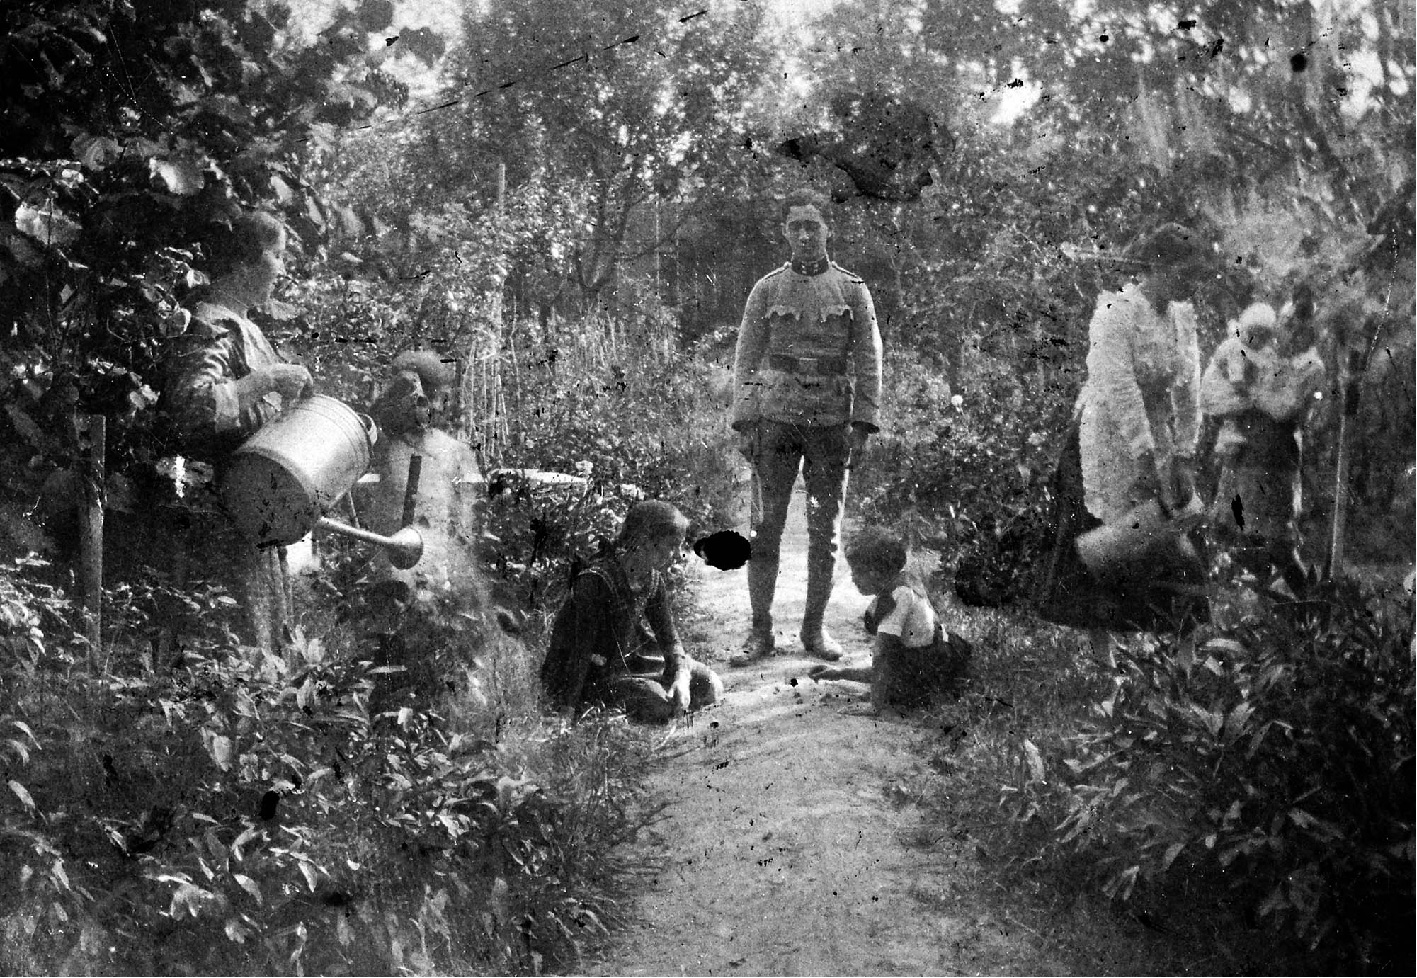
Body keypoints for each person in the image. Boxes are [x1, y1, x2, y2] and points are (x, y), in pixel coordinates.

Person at [729, 190, 884, 665]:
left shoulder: (852, 289)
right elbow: (746, 359)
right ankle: (760, 632)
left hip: (830, 422)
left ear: (827, 230)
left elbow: (869, 359)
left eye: (812, 226)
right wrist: (746, 419)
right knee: (765, 528)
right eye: (795, 226)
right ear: (784, 232)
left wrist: (863, 423)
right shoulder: (767, 289)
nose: (804, 235)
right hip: (776, 419)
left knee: (825, 531)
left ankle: (813, 631)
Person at [1035, 222, 1211, 635]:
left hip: (1158, 432)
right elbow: (1118, 388)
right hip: (1107, 437)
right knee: (1106, 539)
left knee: (1170, 529)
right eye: (1186, 273)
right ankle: (1105, 657)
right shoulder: (1116, 313)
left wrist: (1184, 454)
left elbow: (1190, 390)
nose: (1192, 284)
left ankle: (1173, 653)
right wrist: (1143, 453)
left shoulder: (1182, 318)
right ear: (1160, 265)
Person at [160, 210, 313, 653]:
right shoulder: (210, 323)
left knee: (257, 646)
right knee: (226, 645)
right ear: (246, 262)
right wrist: (265, 381)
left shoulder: (245, 327)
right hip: (216, 514)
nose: (281, 269)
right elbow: (191, 407)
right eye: (278, 256)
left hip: (250, 515)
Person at [540, 501, 723, 724]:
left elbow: (669, 636)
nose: (675, 554)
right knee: (659, 705)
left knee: (710, 684)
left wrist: (681, 676)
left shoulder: (651, 579)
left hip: (632, 662)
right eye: (671, 545)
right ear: (645, 542)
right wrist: (566, 709)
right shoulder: (596, 581)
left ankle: (664, 690)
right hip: (592, 672)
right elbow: (581, 649)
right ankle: (605, 706)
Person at [1201, 295, 1326, 595]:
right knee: (1238, 533)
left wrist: (1248, 395)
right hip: (1247, 448)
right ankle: (1259, 606)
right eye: (1286, 325)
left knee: (1275, 539)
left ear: (1310, 330)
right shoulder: (1266, 352)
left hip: (1275, 456)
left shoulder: (1311, 366)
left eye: (1299, 328)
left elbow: (1282, 409)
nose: (1291, 333)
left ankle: (1307, 602)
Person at [358, 350, 483, 596]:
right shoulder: (384, 445)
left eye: (429, 397)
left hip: (436, 564)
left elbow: (467, 523)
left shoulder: (455, 451)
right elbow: (364, 428)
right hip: (390, 563)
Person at [810, 526, 971, 712]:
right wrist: (840, 673)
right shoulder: (904, 582)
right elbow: (894, 661)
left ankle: (884, 700)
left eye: (858, 572)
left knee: (884, 690)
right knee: (860, 685)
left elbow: (883, 656)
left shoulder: (896, 598)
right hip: (937, 657)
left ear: (876, 572)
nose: (853, 578)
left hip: (931, 668)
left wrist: (875, 705)